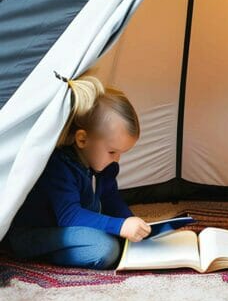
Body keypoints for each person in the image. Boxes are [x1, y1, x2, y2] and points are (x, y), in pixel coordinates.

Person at [6, 74, 151, 269]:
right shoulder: (58, 166)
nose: (117, 160)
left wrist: (130, 221)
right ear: (82, 140)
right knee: (106, 248)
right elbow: (70, 216)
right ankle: (52, 255)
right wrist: (119, 227)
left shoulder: (103, 165)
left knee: (117, 237)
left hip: (71, 230)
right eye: (112, 152)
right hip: (35, 234)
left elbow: (110, 198)